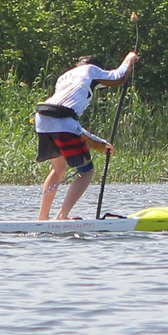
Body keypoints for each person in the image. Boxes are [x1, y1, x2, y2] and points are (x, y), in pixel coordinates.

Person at [35, 49, 140, 220]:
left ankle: (43, 217)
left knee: (58, 169)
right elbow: (118, 76)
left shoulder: (64, 78)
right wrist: (129, 59)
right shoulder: (91, 69)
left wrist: (100, 143)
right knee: (87, 172)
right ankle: (62, 216)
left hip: (42, 117)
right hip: (61, 119)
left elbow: (70, 124)